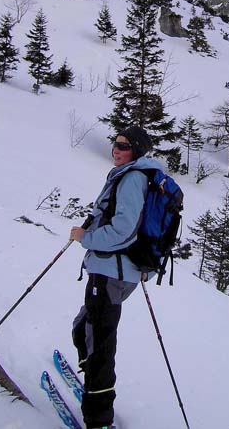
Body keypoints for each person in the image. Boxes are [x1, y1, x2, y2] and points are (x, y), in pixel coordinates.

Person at [69, 125, 160, 429]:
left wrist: (86, 238)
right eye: (115, 144)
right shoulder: (131, 175)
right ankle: (93, 378)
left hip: (111, 271)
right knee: (86, 328)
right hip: (115, 270)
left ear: (136, 149)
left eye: (124, 145)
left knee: (101, 346)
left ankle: (98, 418)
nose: (117, 149)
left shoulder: (133, 178)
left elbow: (123, 230)